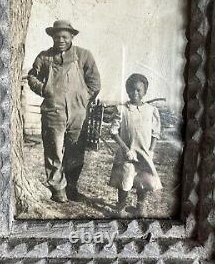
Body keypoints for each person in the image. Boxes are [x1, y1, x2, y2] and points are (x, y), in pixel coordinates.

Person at [27, 20, 101, 203]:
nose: (60, 40)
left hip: (78, 112)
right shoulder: (45, 57)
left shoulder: (84, 56)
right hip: (53, 111)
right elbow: (31, 76)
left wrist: (83, 98)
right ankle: (57, 188)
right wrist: (45, 89)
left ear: (72, 37)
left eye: (64, 36)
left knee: (75, 151)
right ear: (52, 37)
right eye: (57, 36)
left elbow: (95, 82)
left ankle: (72, 187)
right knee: (54, 150)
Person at [109, 73, 162, 216]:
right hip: (128, 153)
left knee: (143, 181)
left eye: (139, 90)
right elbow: (113, 132)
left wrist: (151, 150)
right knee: (125, 179)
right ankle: (120, 208)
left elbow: (155, 133)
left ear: (145, 91)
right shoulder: (122, 110)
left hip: (144, 153)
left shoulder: (151, 111)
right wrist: (125, 149)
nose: (135, 93)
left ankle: (140, 208)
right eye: (132, 90)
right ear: (127, 90)